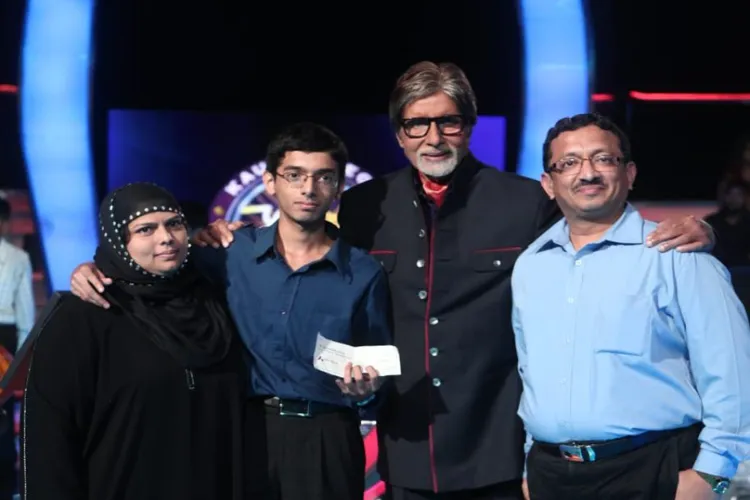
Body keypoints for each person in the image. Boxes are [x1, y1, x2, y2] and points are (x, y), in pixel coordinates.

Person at [192, 62, 714, 499]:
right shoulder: (361, 206)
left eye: (449, 122)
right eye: (417, 124)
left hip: (500, 447)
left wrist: (702, 228)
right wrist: (216, 235)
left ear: (470, 126)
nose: (434, 137)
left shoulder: (526, 200)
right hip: (406, 448)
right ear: (399, 133)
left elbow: (599, 229)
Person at [69, 123, 393, 500]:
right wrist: (89, 269)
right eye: (294, 175)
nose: (308, 189)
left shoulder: (363, 272)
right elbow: (152, 270)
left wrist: (368, 391)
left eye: (324, 177)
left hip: (327, 434)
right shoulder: (228, 251)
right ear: (270, 183)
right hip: (243, 430)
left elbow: (377, 366)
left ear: (339, 187)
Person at [512, 112, 750, 500]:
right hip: (550, 474)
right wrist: (529, 466)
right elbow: (530, 374)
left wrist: (712, 479)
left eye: (603, 159)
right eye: (569, 163)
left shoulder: (678, 255)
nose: (587, 173)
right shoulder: (531, 266)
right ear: (548, 184)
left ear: (630, 173)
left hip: (654, 472)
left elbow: (736, 378)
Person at [22, 183, 247, 500]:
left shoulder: (213, 302)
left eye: (174, 224)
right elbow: (50, 436)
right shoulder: (85, 315)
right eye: (145, 229)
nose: (165, 237)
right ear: (118, 240)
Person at [0, 196, 34, 500]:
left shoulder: (17, 258)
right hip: (6, 334)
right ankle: (6, 487)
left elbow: (25, 314)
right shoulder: (16, 257)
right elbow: (25, 313)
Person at [704, 180, 750, 267]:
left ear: (745, 198)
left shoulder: (748, 221)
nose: (734, 199)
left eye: (738, 195)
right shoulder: (712, 222)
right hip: (717, 268)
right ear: (725, 197)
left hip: (745, 272)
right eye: (730, 194)